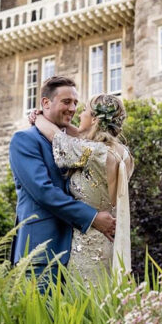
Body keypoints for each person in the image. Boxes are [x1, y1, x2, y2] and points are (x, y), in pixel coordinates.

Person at [8, 76, 116, 279]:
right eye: (66, 102)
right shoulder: (24, 140)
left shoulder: (74, 143)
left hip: (80, 252)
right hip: (41, 251)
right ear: (46, 103)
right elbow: (44, 192)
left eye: (76, 103)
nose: (73, 108)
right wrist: (92, 217)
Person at [31, 91, 134, 284]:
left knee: (83, 306)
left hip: (86, 246)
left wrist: (38, 116)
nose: (79, 114)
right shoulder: (124, 155)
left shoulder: (92, 152)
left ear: (94, 119)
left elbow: (56, 137)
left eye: (84, 110)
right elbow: (78, 136)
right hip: (110, 243)